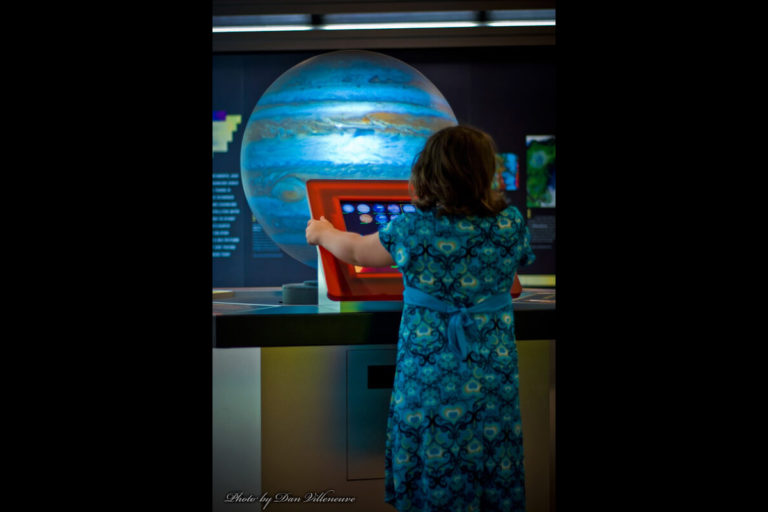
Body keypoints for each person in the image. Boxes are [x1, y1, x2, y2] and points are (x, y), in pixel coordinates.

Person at [306, 125, 535, 512]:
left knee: (434, 454)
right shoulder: (509, 224)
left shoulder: (412, 228)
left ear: (428, 173)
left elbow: (358, 251)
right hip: (492, 378)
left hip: (429, 379)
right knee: (490, 452)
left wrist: (323, 232)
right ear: (484, 174)